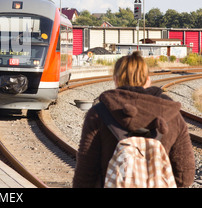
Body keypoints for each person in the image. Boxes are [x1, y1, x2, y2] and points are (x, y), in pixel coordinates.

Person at [72, 51, 195, 188]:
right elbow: (186, 176)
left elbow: (85, 172)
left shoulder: (98, 113)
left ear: (116, 79)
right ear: (148, 79)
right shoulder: (172, 115)